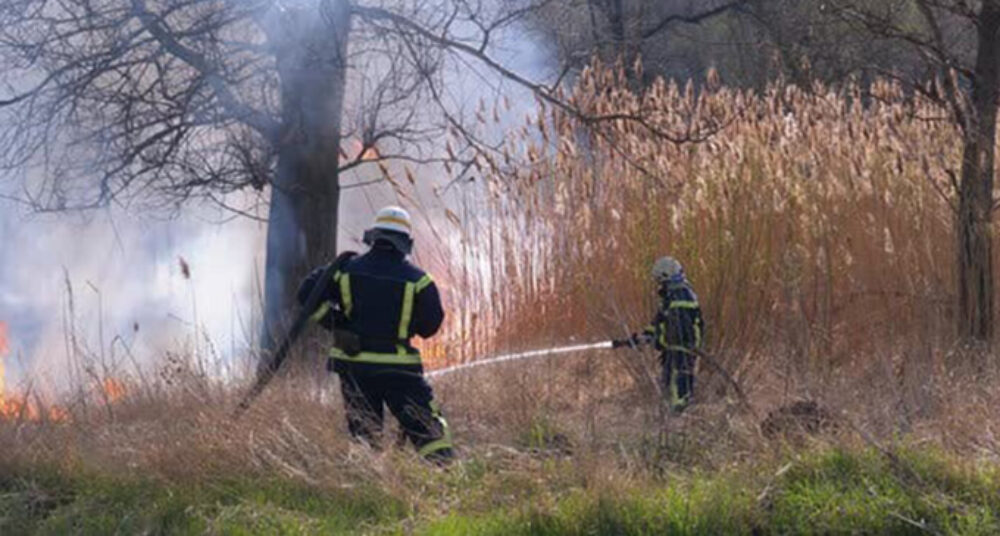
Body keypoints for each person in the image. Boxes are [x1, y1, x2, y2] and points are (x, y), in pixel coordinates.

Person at [297, 206, 454, 462]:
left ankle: (367, 481)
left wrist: (336, 324)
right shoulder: (419, 281)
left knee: (364, 432)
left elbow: (306, 295)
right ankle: (444, 471)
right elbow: (429, 327)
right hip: (399, 369)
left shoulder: (344, 270)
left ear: (374, 236)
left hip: (354, 367)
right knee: (425, 426)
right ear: (405, 242)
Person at [613, 256, 705, 413]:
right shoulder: (674, 297)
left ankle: (678, 421)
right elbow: (659, 322)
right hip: (674, 351)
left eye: (659, 280)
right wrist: (642, 336)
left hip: (680, 353)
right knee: (671, 387)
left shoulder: (680, 297)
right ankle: (673, 418)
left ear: (666, 277)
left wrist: (656, 340)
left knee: (679, 389)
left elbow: (677, 334)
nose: (659, 285)